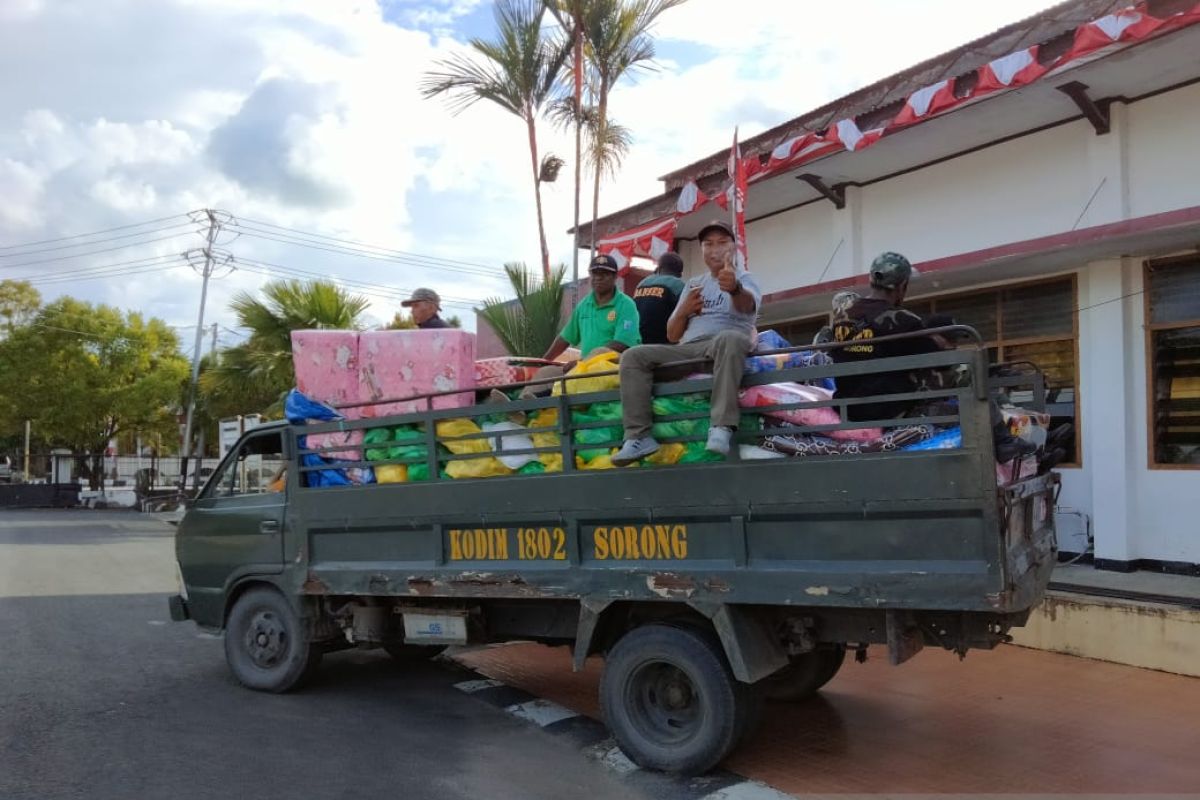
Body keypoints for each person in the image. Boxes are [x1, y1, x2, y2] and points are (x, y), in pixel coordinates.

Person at [612, 220, 762, 465]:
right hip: (689, 349)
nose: (715, 250)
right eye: (708, 244)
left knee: (731, 337)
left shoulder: (746, 278)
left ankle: (722, 426)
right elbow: (672, 335)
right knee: (632, 357)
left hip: (722, 346)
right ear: (701, 250)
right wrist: (684, 310)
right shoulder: (693, 284)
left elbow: (747, 305)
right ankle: (638, 437)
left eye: (722, 243)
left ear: (733, 248)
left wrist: (734, 288)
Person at [541, 253, 641, 362]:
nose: (598, 277)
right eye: (594, 273)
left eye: (604, 274)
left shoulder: (626, 305)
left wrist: (584, 362)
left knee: (599, 354)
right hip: (586, 368)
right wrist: (543, 362)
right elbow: (565, 338)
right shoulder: (584, 305)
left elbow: (623, 343)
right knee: (546, 373)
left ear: (615, 277)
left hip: (613, 367)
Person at [633, 251, 686, 345]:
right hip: (663, 345)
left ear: (659, 268)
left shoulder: (642, 283)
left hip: (637, 342)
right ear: (680, 274)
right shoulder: (678, 285)